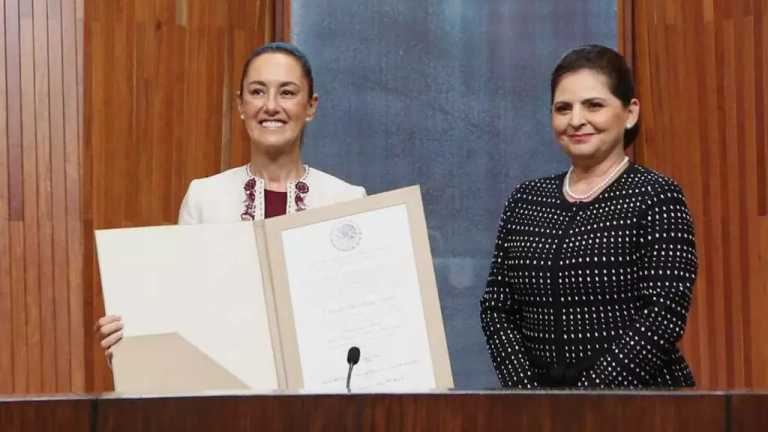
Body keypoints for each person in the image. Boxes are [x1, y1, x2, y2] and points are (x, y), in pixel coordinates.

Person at [97, 42, 366, 357]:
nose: (270, 105)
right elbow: (180, 308)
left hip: (320, 399)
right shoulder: (204, 198)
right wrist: (132, 348)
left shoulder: (347, 200)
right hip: (227, 394)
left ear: (310, 106)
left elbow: (360, 318)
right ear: (240, 104)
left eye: (288, 92)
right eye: (257, 91)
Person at [480, 45, 697, 388]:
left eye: (593, 105)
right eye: (563, 108)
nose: (576, 120)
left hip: (643, 408)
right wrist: (527, 397)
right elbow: (497, 308)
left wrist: (586, 402)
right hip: (536, 412)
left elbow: (664, 313)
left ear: (630, 113)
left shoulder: (657, 196)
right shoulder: (526, 199)